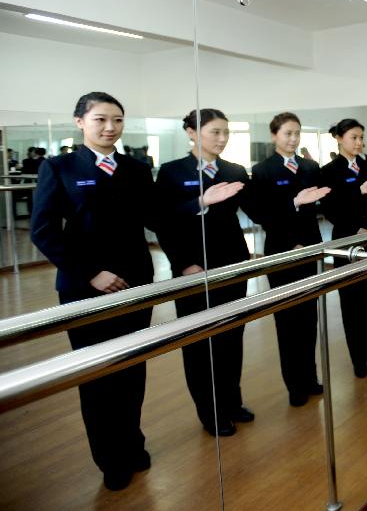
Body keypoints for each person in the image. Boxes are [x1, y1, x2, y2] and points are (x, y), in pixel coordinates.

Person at [30, 92, 156, 491]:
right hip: (85, 289)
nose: (110, 128)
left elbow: (157, 217)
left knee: (133, 366)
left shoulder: (137, 168)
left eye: (117, 120)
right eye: (101, 119)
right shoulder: (60, 167)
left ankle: (132, 442)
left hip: (135, 283)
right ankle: (110, 458)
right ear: (80, 122)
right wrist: (91, 273)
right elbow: (44, 231)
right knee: (98, 374)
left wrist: (200, 202)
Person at [155, 108, 255, 438]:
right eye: (215, 132)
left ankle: (231, 401)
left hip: (233, 266)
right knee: (200, 343)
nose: (222, 139)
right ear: (191, 132)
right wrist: (184, 263)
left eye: (226, 132)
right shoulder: (172, 172)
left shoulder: (234, 169)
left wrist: (296, 201)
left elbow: (259, 208)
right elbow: (164, 223)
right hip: (193, 268)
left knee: (231, 335)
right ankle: (210, 411)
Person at [248, 112, 331, 407]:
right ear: (274, 136)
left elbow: (321, 204)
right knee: (287, 320)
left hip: (310, 249)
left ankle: (310, 378)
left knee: (309, 317)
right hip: (281, 251)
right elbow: (260, 213)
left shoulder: (310, 167)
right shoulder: (262, 170)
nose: (293, 138)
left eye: (296, 133)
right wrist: (293, 203)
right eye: (287, 133)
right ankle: (294, 385)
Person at [318, 119, 367, 378]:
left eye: (361, 138)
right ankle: (357, 357)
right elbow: (330, 208)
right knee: (350, 300)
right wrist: (355, 223)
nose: (359, 143)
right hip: (346, 240)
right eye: (353, 138)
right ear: (338, 138)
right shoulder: (328, 171)